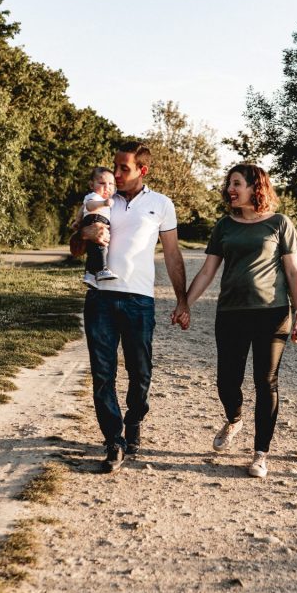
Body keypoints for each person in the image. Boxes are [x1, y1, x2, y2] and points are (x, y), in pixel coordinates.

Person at [185, 163, 297, 479]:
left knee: (266, 381)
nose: (230, 189)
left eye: (236, 183)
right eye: (229, 184)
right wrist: (185, 302)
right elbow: (208, 271)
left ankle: (260, 454)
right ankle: (234, 418)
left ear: (256, 187)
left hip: (272, 313)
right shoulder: (224, 226)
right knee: (227, 379)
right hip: (231, 313)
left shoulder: (280, 224)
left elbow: (293, 272)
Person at [80, 141, 190, 473]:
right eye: (114, 167)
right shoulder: (101, 199)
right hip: (100, 298)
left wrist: (182, 300)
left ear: (142, 170)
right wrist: (86, 231)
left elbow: (172, 254)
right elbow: (74, 244)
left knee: (140, 373)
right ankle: (114, 440)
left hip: (139, 300)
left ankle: (134, 420)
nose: (115, 174)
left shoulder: (161, 204)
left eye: (123, 168)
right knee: (103, 374)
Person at [79, 166, 120, 289]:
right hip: (96, 219)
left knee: (93, 250)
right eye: (102, 183)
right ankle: (102, 269)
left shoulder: (103, 198)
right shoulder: (94, 196)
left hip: (93, 220)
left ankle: (90, 275)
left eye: (111, 184)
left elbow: (82, 208)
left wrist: (77, 221)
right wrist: (103, 203)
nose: (107, 187)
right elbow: (90, 206)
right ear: (92, 185)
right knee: (101, 245)